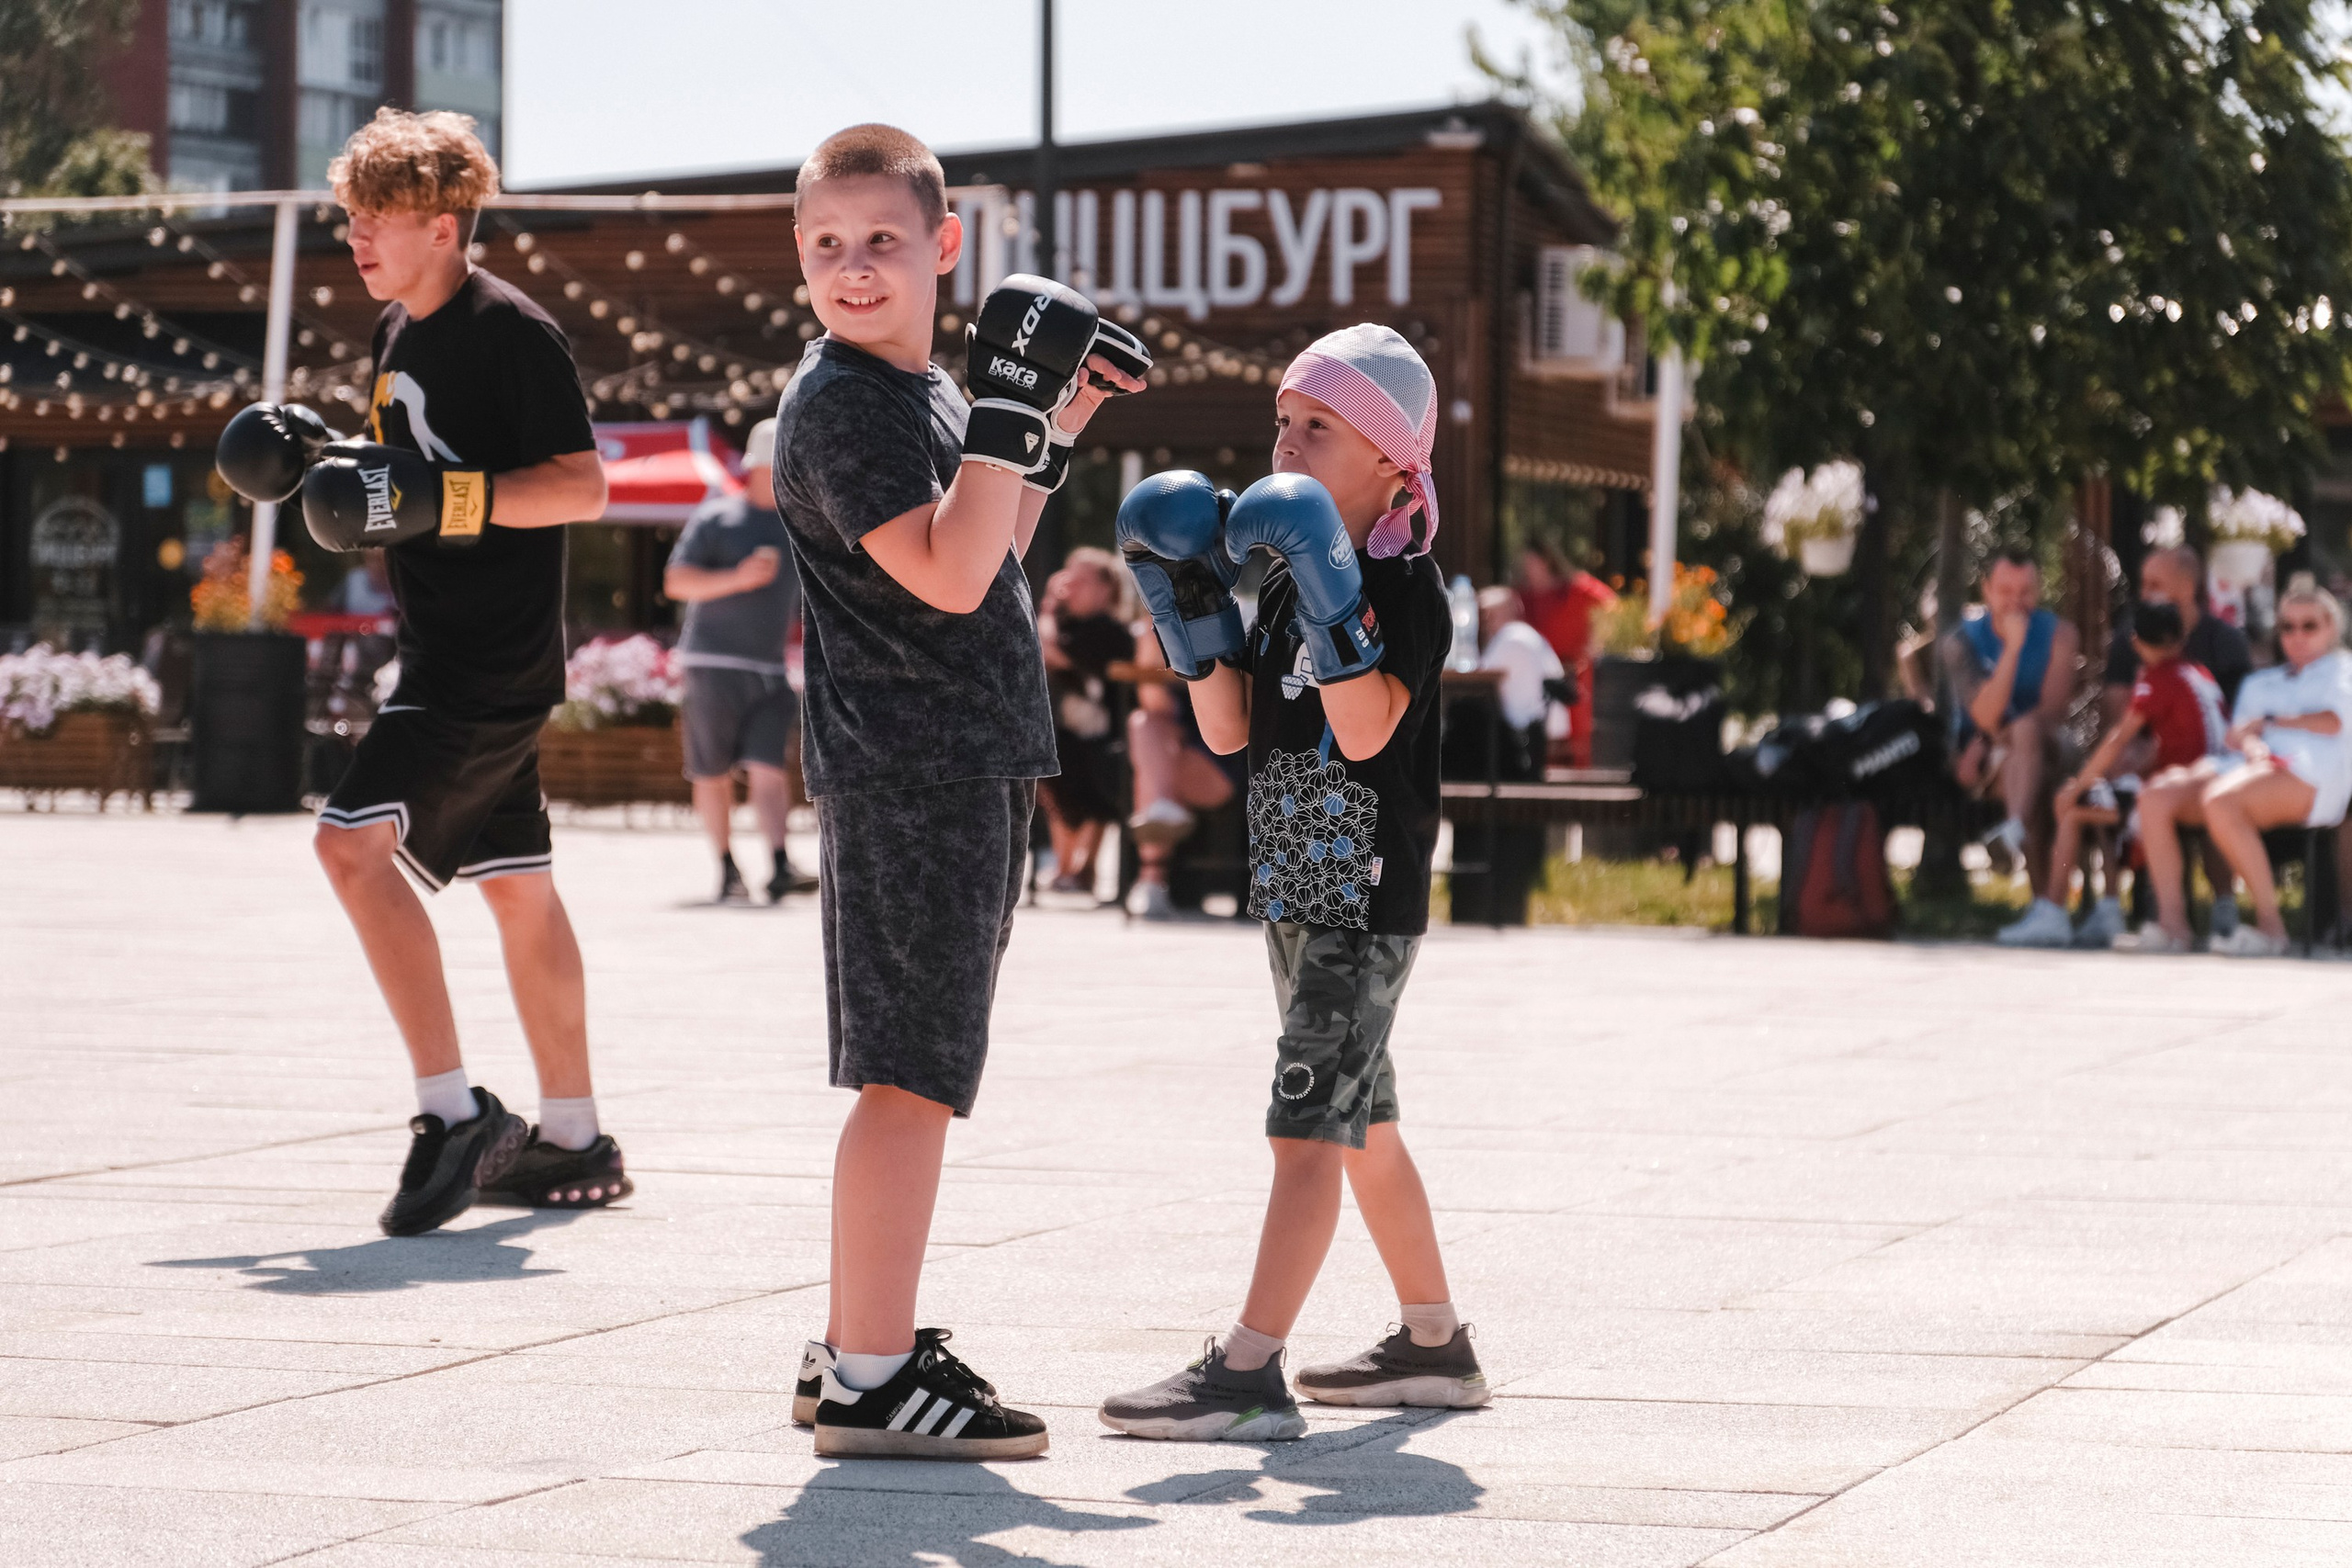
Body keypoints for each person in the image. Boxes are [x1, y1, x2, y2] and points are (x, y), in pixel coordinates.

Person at [773, 125, 1145, 1461]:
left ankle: (856, 1343)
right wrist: (1005, 409)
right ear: (799, 257)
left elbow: (991, 549)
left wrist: (1053, 417)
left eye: (880, 240)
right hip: (910, 767)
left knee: (923, 1062)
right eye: (826, 244)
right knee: (908, 1071)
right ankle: (871, 1370)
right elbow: (938, 573)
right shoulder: (840, 404)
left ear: (944, 249)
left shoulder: (918, 392)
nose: (852, 267)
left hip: (960, 760)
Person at [1102, 323, 1487, 1442]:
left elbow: (1364, 737)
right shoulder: (1273, 580)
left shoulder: (1406, 590)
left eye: (1316, 425)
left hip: (1361, 892)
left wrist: (1331, 591)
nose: (1286, 439)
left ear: (1387, 462)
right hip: (1293, 878)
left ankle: (1246, 1368)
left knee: (1307, 1126)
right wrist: (1185, 604)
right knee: (1364, 1127)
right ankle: (1433, 1345)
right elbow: (1228, 731)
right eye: (1282, 418)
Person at [300, 110, 626, 1234]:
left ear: (444, 225)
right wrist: (320, 462)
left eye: (376, 218)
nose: (355, 236)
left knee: (348, 848)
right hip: (449, 649)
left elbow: (583, 488)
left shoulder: (509, 330)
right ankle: (575, 1140)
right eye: (349, 216)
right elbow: (405, 478)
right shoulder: (399, 329)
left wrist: (454, 499)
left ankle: (455, 1115)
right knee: (519, 889)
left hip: (483, 663)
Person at [2135, 585, 2352, 956]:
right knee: (2156, 796)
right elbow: (2238, 735)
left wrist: (2270, 723)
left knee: (2222, 801)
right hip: (2248, 767)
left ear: (2331, 628)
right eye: (2287, 627)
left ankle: (2271, 929)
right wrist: (2254, 744)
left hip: (2311, 776)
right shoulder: (2260, 681)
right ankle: (2174, 927)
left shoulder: (2342, 670)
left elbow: (2335, 721)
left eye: (2308, 626)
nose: (2296, 636)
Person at [1997, 599, 2226, 948]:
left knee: (2077, 805)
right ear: (2181, 639)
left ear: (2136, 643)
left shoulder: (2158, 678)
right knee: (2111, 796)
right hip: (2212, 780)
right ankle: (2107, 907)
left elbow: (2118, 740)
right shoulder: (2199, 673)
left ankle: (2054, 911)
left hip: (2179, 793)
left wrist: (2077, 784)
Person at [662, 416, 817, 905]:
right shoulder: (716, 517)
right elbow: (676, 583)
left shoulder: (800, 529)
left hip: (770, 669)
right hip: (712, 663)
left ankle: (777, 865)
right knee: (711, 772)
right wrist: (739, 578)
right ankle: (727, 867)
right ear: (755, 467)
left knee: (769, 767)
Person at [1941, 547, 2082, 885]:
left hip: (2045, 743)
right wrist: (2013, 648)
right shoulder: (1961, 642)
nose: (2016, 602)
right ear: (1986, 590)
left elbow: (2052, 711)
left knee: (2027, 735)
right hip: (1995, 758)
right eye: (2006, 592)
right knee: (2023, 771)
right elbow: (1985, 715)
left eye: (2026, 592)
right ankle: (2043, 902)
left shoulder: (2059, 634)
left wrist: (1994, 736)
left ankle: (2014, 834)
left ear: (2038, 591)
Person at [1035, 547, 1136, 896]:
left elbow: (1049, 651)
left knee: (1085, 783)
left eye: (1080, 580)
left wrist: (1048, 606)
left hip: (1106, 738)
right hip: (1072, 734)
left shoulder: (1108, 629)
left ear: (1106, 587)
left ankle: (1077, 869)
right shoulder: (1069, 624)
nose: (1069, 587)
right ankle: (1069, 868)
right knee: (1056, 780)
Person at [1122, 625, 1238, 920]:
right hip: (1175, 760)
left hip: (1223, 762)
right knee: (1143, 723)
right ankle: (1162, 807)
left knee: (1150, 765)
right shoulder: (1152, 631)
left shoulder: (1225, 630)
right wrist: (1151, 644)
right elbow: (1155, 704)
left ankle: (1151, 878)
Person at [1515, 539, 1611, 765]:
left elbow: (1612, 610)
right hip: (1543, 680)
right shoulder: (1524, 597)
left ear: (1547, 562)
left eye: (1531, 564)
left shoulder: (1576, 588)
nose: (1527, 571)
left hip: (1576, 675)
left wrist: (1596, 644)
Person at [1477, 585, 1566, 779]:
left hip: (1523, 735)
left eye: (1486, 615)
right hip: (1539, 728)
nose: (1483, 623)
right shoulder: (1527, 635)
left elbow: (1478, 677)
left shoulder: (1511, 637)